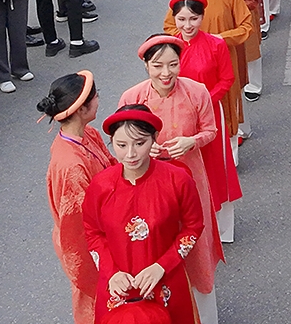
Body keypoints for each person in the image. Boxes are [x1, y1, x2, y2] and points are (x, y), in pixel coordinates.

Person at [118, 36, 223, 323]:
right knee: (153, 245)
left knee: (195, 244)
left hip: (190, 177)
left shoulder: (197, 92)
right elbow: (122, 141)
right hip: (147, 182)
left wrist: (192, 141)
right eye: (158, 65)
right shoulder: (132, 98)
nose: (166, 73)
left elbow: (211, 130)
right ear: (146, 65)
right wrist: (142, 149)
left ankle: (206, 315)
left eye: (173, 64)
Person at [82, 105, 203, 323]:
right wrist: (111, 272)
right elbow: (93, 232)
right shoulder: (100, 185)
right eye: (121, 145)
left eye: (139, 143)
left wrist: (162, 266)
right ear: (112, 142)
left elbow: (193, 226)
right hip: (118, 286)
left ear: (154, 138)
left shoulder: (178, 180)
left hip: (165, 280)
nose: (130, 154)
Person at [40, 71, 116, 324]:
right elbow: (77, 226)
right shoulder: (71, 164)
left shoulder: (87, 133)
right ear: (82, 109)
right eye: (95, 97)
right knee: (97, 302)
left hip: (101, 229)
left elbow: (112, 166)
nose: (99, 100)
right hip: (87, 242)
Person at [163, 0, 254, 152]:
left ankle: (229, 154)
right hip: (188, 56)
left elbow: (246, 26)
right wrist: (188, 39)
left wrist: (220, 38)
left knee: (225, 103)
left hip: (222, 54)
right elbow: (169, 25)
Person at [171, 0, 242, 243]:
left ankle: (222, 229)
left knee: (215, 166)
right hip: (178, 114)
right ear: (174, 19)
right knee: (183, 167)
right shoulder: (170, 48)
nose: (187, 25)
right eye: (182, 19)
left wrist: (203, 101)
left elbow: (227, 79)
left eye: (193, 18)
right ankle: (189, 225)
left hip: (210, 112)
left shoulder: (215, 44)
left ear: (202, 17)